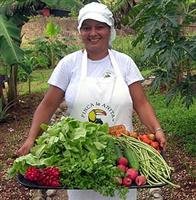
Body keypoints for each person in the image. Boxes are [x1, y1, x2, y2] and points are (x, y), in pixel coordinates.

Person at [17, 2, 166, 200]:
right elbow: (47, 106)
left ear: (109, 30)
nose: (93, 33)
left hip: (121, 158)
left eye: (100, 27)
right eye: (87, 27)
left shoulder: (124, 63)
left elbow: (141, 103)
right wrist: (31, 138)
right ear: (80, 31)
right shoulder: (69, 64)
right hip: (80, 158)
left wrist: (157, 129)